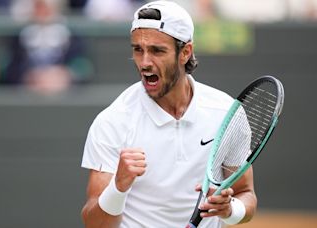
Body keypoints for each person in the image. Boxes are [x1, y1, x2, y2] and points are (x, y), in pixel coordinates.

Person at [80, 1, 257, 227]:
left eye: (157, 50)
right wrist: (118, 187)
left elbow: (246, 194)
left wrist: (230, 209)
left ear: (185, 52)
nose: (144, 62)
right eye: (137, 49)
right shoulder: (112, 121)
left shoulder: (226, 113)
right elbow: (94, 223)